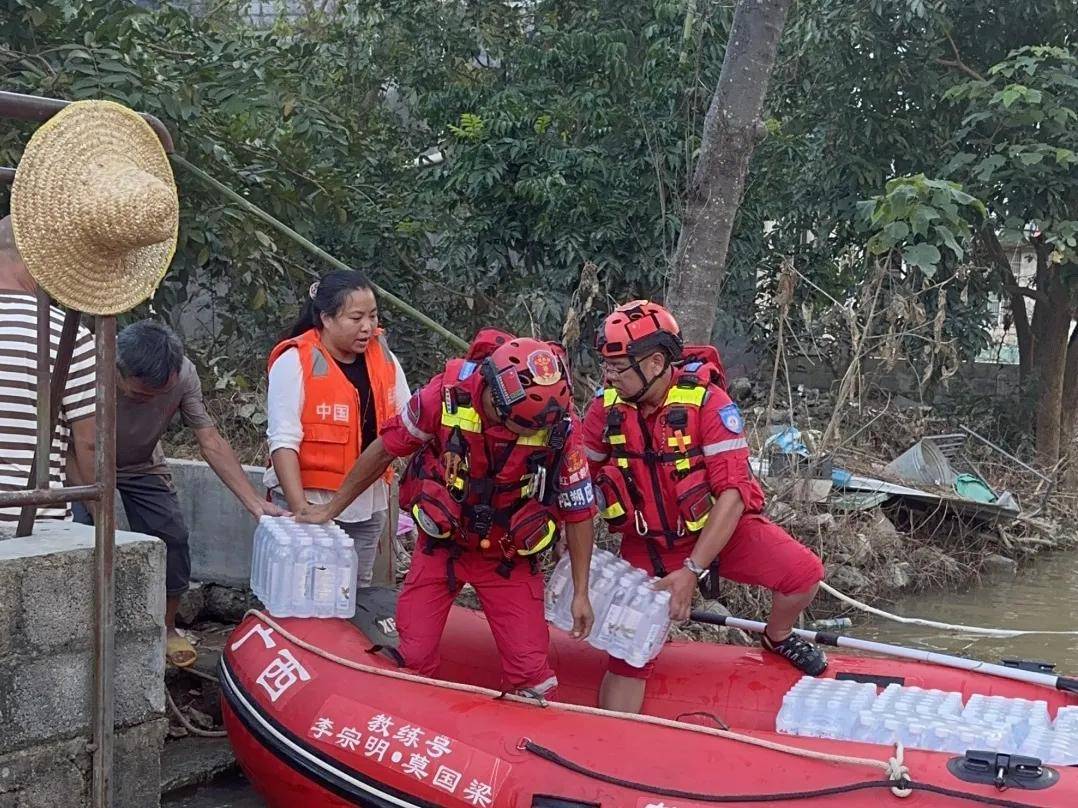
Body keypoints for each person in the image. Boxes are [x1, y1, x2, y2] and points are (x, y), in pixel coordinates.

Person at [298, 329, 595, 698]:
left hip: (507, 556)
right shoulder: (443, 397)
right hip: (442, 546)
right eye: (520, 426)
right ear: (495, 398)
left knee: (531, 672)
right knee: (414, 655)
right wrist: (332, 507)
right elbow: (385, 448)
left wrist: (581, 591)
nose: (526, 434)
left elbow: (579, 508)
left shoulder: (559, 424)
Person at [582, 300, 827, 713]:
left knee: (804, 574)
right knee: (628, 656)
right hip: (648, 545)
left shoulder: (709, 404)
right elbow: (578, 480)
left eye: (618, 368)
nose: (609, 377)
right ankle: (612, 739)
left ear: (656, 362)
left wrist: (692, 571)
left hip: (719, 532)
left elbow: (732, 494)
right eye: (606, 367)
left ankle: (779, 634)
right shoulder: (604, 410)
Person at [74, 320, 284, 667]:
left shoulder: (184, 375)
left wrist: (254, 503)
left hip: (141, 463)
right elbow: (80, 441)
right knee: (84, 540)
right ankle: (86, 633)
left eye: (156, 396)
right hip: (84, 461)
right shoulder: (90, 364)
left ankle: (167, 628)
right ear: (116, 365)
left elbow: (210, 440)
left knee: (173, 536)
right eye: (139, 395)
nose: (147, 402)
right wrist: (100, 512)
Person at [265, 270, 410, 588]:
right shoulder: (295, 361)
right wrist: (300, 508)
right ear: (325, 318)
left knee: (354, 590)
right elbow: (283, 440)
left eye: (372, 316)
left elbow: (408, 420)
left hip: (368, 499)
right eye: (356, 317)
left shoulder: (383, 356)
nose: (368, 327)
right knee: (302, 590)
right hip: (311, 500)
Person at [0, 215, 96, 525]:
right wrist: (107, 521)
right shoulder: (66, 334)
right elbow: (89, 443)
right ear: (36, 259)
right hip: (31, 525)